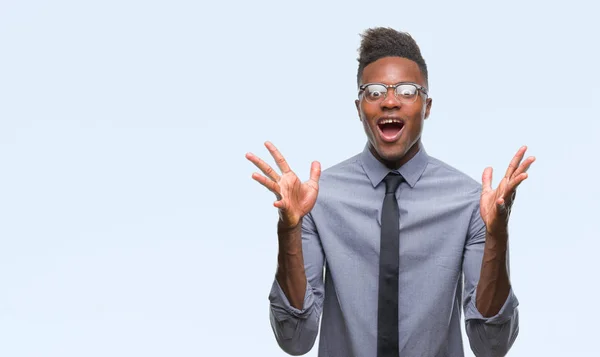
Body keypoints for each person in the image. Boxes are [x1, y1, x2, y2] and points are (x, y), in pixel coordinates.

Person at [245, 27, 535, 357]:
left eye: (408, 91)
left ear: (426, 106)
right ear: (359, 108)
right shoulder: (317, 199)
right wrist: (289, 228)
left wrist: (497, 235)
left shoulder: (471, 203)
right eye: (375, 92)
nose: (390, 101)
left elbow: (491, 344)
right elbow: (295, 339)